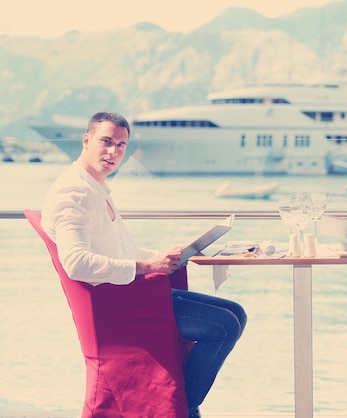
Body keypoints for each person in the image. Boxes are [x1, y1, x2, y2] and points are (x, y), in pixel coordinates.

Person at [41, 111, 246, 418]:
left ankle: (180, 406)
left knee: (237, 314)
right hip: (119, 307)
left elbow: (118, 249)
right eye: (106, 142)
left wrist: (161, 256)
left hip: (128, 293)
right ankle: (181, 409)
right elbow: (77, 263)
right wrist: (149, 267)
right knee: (224, 325)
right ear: (86, 140)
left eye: (121, 145)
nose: (113, 152)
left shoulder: (94, 188)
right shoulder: (74, 194)